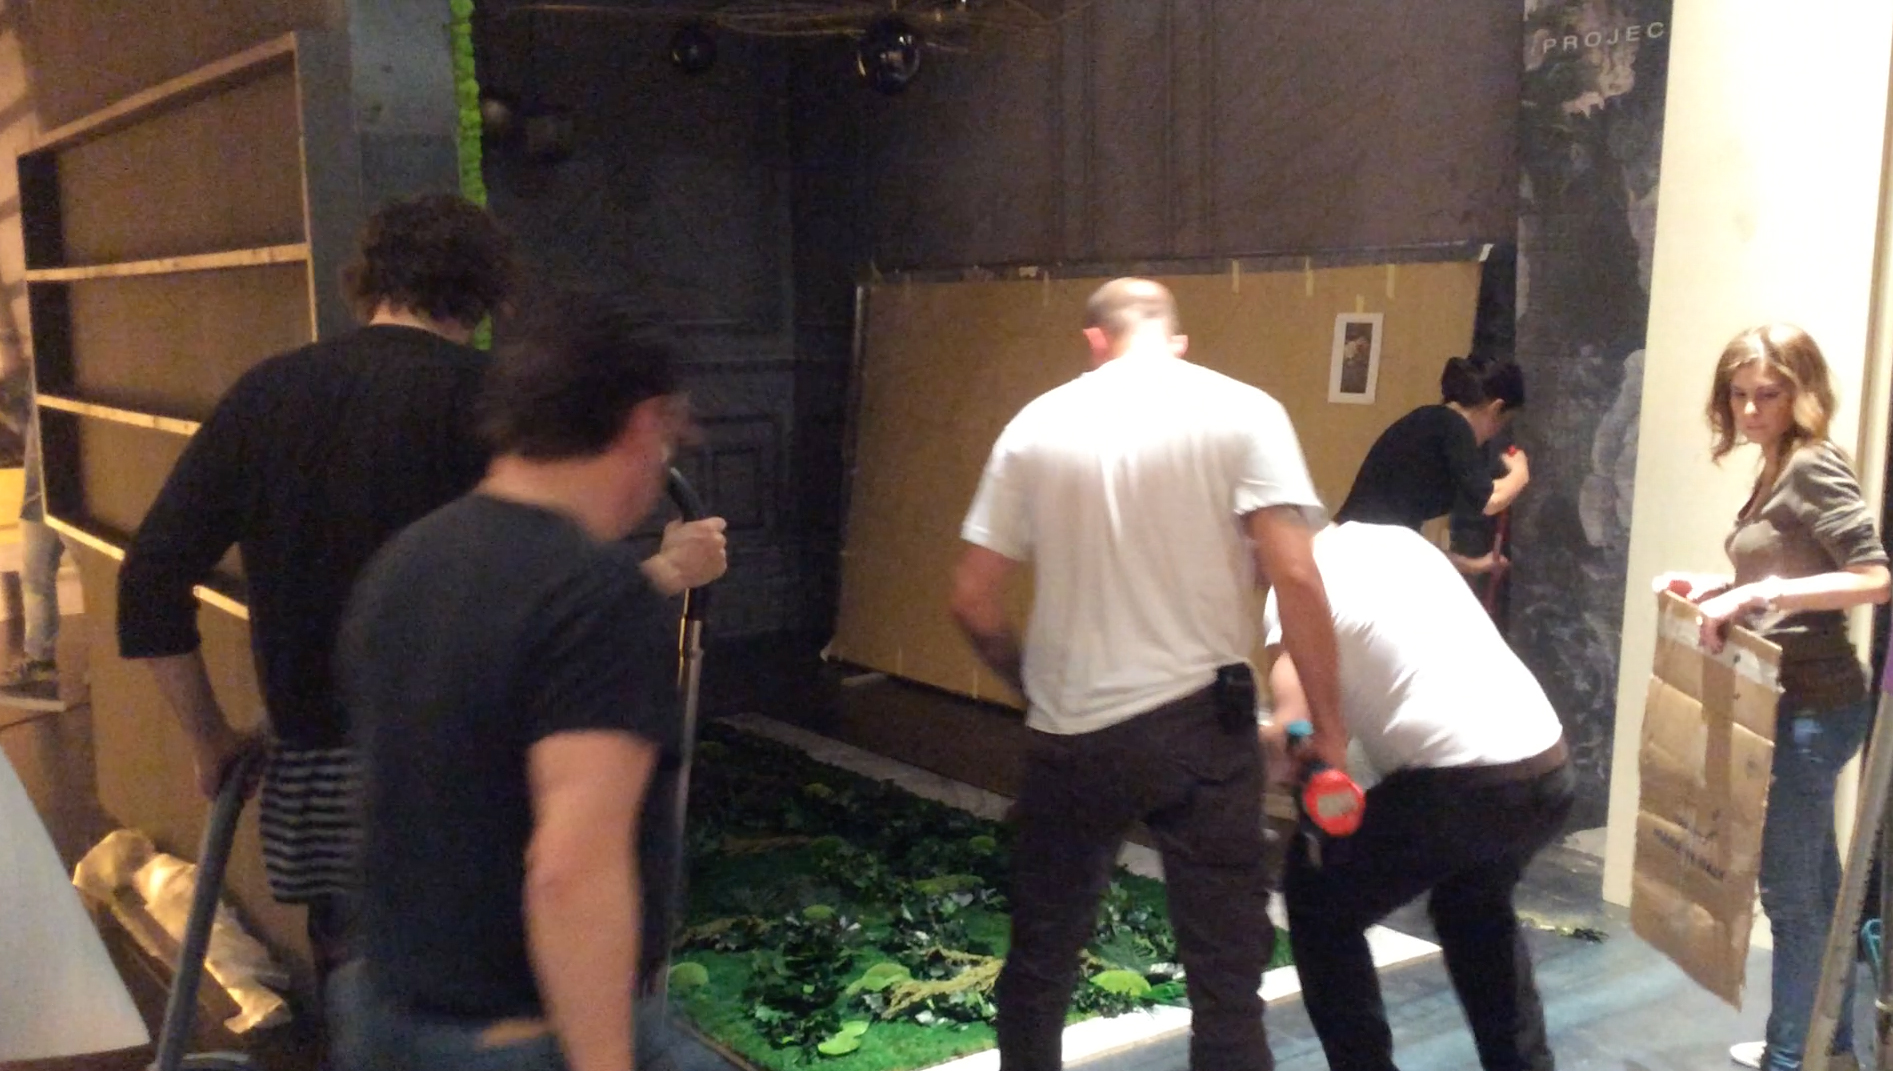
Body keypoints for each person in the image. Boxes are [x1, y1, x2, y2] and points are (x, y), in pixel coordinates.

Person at [114, 193, 727, 1000]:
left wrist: (211, 739)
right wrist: (668, 570)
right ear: (487, 292)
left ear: (366, 282)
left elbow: (149, 579)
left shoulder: (267, 393)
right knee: (504, 999)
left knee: (368, 997)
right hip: (472, 782)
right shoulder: (494, 403)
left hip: (317, 788)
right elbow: (550, 609)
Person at [948, 278, 1344, 1071]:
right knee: (1224, 982)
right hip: (1199, 728)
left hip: (1069, 732)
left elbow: (972, 599)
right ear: (1177, 341)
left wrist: (1031, 685)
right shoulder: (1243, 410)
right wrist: (1328, 729)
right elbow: (1296, 575)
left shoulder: (1035, 425)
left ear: (1094, 340)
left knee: (1040, 961)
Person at [328, 289, 726, 1071]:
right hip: (513, 1038)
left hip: (384, 1008)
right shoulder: (595, 593)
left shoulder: (407, 560)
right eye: (671, 433)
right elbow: (570, 872)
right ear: (642, 424)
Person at [1653, 324, 1889, 1071]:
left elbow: (1874, 577)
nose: (1751, 409)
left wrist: (1758, 592)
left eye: (1769, 394)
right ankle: (1829, 1046)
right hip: (1789, 701)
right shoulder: (1777, 463)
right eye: (1739, 394)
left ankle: (1792, 1057)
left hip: (1813, 707)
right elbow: (1788, 569)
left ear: (1801, 393)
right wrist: (1717, 587)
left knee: (1789, 897)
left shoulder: (1812, 464)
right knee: (1815, 889)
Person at [1260, 520, 1572, 1071]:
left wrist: (1235, 750)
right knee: (1472, 906)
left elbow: (1294, 728)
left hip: (1460, 786)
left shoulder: (1291, 590)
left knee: (1316, 896)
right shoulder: (1393, 538)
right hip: (1545, 767)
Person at [1335, 352, 1531, 575]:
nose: (1493, 435)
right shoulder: (1454, 426)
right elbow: (1490, 500)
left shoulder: (1432, 422)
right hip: (1360, 554)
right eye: (1503, 422)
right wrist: (1520, 473)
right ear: (1496, 408)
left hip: (1356, 547)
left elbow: (1412, 545)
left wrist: (1475, 565)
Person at [0, 336, 78, 711]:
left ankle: (114, 661)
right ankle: (40, 663)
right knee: (34, 576)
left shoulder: (58, 367)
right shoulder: (30, 378)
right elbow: (22, 422)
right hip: (40, 492)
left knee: (89, 577)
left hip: (64, 492)